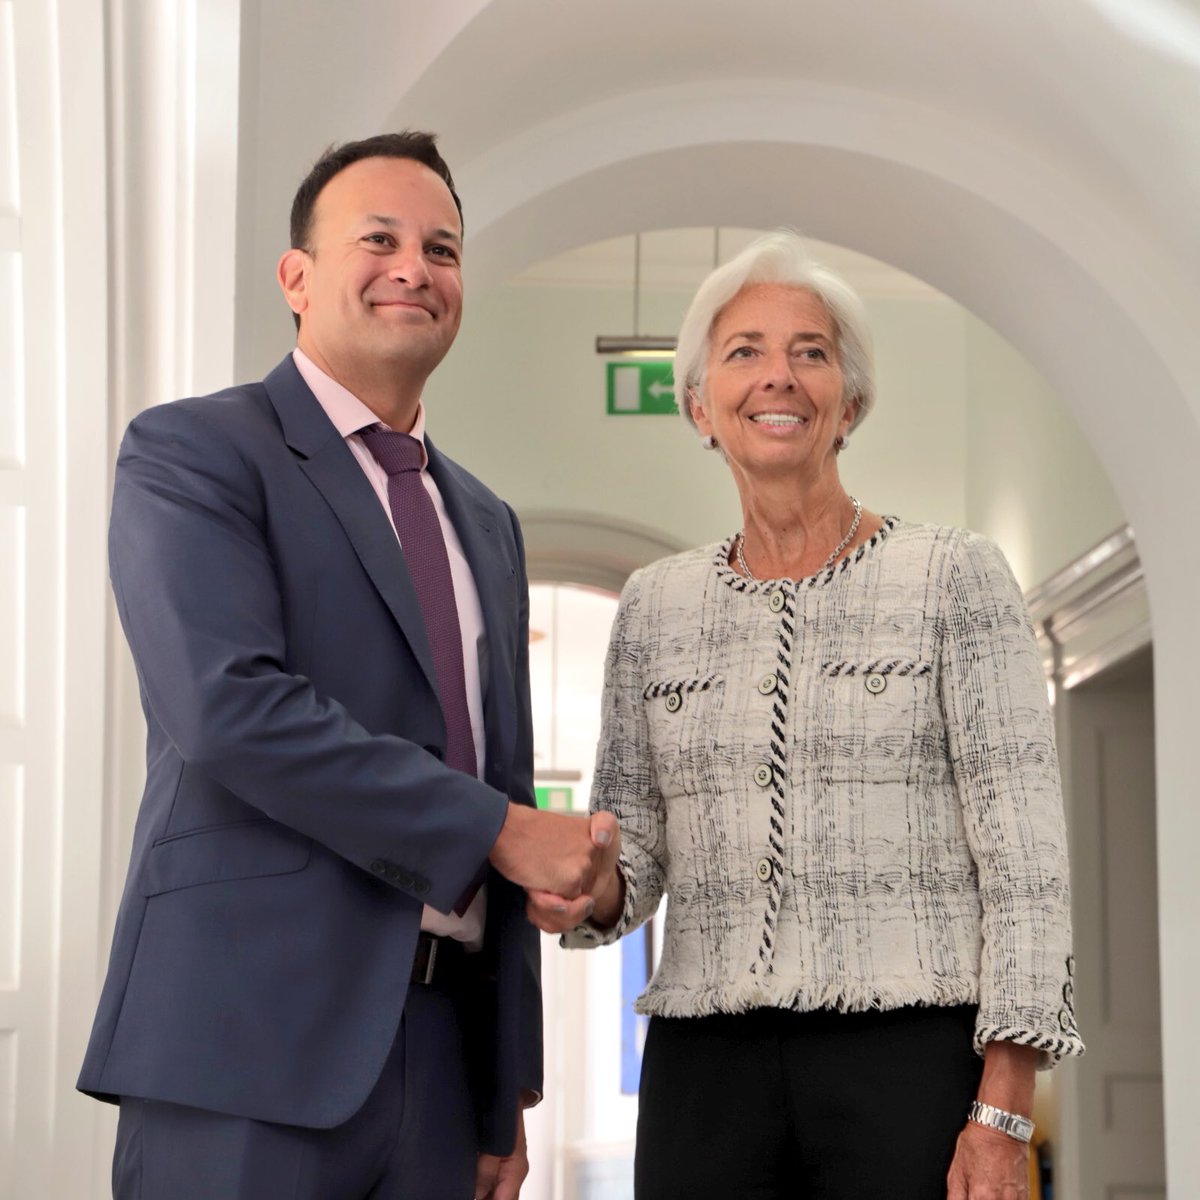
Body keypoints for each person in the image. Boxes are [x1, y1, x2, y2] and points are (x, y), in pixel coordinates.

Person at [78, 131, 614, 1200]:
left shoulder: (487, 523)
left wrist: (504, 1087)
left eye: (442, 249)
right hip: (242, 1044)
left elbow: (501, 775)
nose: (415, 267)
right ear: (297, 277)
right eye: (379, 240)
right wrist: (500, 832)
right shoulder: (194, 452)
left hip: (442, 1060)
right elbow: (229, 709)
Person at [531, 231, 1083, 1199]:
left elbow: (1027, 868)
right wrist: (586, 885)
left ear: (849, 403)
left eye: (810, 352)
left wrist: (1002, 1109)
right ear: (700, 404)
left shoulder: (952, 576)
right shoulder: (654, 607)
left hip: (909, 1058)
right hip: (704, 1069)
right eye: (743, 351)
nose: (777, 376)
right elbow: (636, 861)